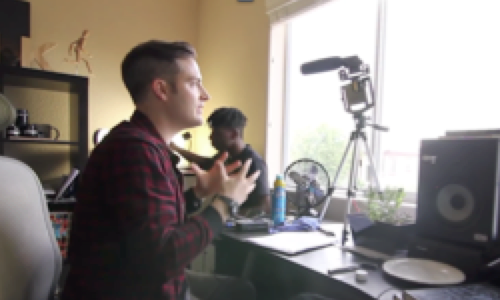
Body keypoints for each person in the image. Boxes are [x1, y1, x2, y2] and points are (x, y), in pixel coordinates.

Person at [61, 40, 260, 300]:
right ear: (161, 89)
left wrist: (197, 194)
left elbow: (148, 225)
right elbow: (163, 256)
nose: (205, 95)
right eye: (193, 83)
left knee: (242, 290)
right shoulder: (135, 150)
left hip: (143, 282)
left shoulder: (146, 146)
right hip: (130, 290)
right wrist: (225, 204)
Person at [171, 107, 270, 217]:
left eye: (216, 133)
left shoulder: (254, 162)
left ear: (233, 134)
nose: (210, 137)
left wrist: (229, 212)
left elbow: (264, 206)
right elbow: (204, 162)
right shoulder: (224, 156)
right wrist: (177, 149)